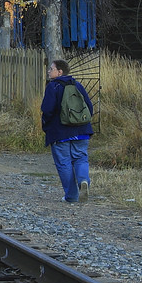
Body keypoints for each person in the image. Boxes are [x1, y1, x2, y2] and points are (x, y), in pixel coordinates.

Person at [41, 59, 93, 203]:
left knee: (64, 163)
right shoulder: (77, 85)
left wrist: (46, 125)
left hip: (60, 133)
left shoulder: (53, 87)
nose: (49, 71)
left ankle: (71, 196)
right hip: (81, 131)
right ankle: (83, 180)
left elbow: (47, 110)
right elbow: (89, 107)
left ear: (60, 72)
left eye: (51, 69)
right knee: (80, 158)